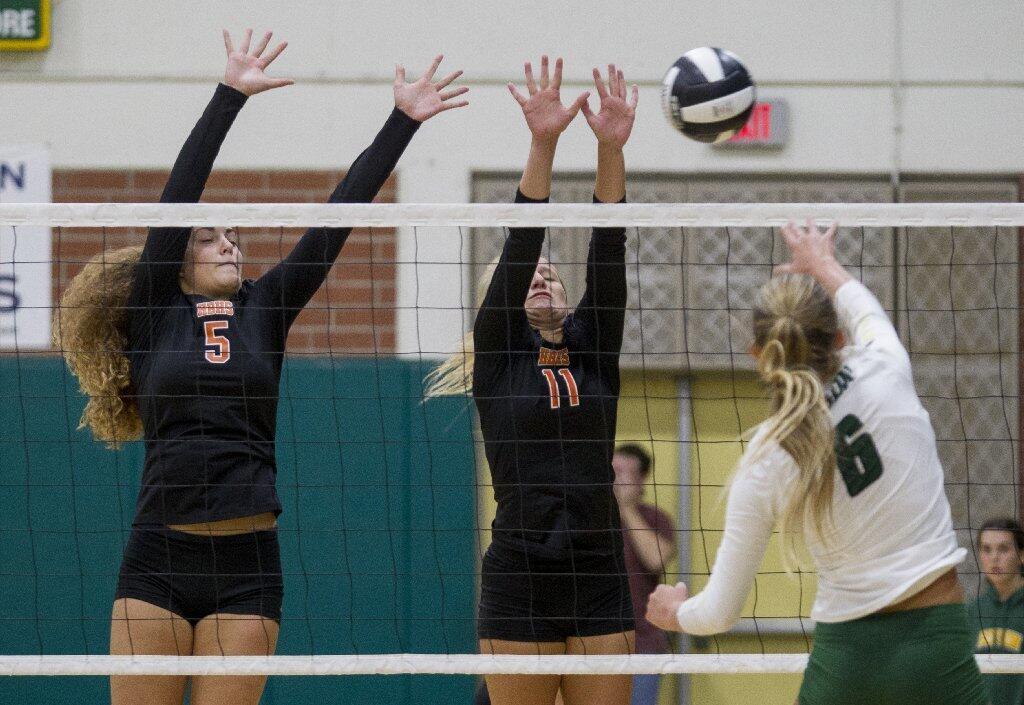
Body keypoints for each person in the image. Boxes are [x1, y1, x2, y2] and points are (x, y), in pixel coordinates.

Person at [52, 28, 466, 705]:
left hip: (247, 566)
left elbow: (336, 223)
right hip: (157, 555)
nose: (229, 241)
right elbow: (179, 194)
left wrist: (402, 122)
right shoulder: (158, 309)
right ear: (178, 256)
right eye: (210, 235)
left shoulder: (266, 306)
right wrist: (229, 96)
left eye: (234, 233)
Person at [645, 220, 987, 705]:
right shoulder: (885, 367)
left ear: (758, 356)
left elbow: (719, 614)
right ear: (840, 337)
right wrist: (822, 263)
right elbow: (863, 306)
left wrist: (673, 613)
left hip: (846, 660)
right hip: (937, 642)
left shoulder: (764, 458)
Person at [424, 56, 639, 705]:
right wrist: (542, 142)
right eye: (530, 275)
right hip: (520, 572)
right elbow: (521, 242)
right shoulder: (499, 358)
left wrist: (608, 147)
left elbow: (609, 246)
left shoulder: (593, 346)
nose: (541, 275)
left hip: (599, 570)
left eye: (553, 271)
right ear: (508, 298)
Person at [612, 445, 675, 705]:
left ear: (642, 479)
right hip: (594, 643)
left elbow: (656, 558)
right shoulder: (591, 516)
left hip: (643, 645)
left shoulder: (656, 518)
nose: (617, 478)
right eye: (614, 470)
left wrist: (626, 508)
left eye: (626, 472)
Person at [970, 518, 1024, 705]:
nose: (994, 557)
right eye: (986, 549)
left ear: (1021, 555)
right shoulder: (972, 612)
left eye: (1003, 549)